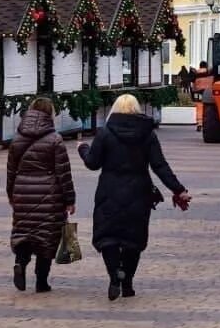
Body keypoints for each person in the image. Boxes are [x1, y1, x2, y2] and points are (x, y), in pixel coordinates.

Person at [78, 93, 191, 300]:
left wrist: (83, 149)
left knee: (108, 236)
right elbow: (160, 166)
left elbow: (93, 163)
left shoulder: (105, 133)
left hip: (109, 191)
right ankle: (127, 283)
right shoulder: (147, 134)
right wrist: (178, 189)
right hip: (139, 191)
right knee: (133, 239)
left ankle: (114, 276)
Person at [6, 97, 76, 292]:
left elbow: (10, 170)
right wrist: (70, 199)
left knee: (24, 233)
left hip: (22, 193)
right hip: (50, 196)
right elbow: (64, 173)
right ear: (50, 113)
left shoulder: (17, 138)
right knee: (46, 238)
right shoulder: (55, 139)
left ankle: (21, 263)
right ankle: (41, 282)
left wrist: (11, 194)